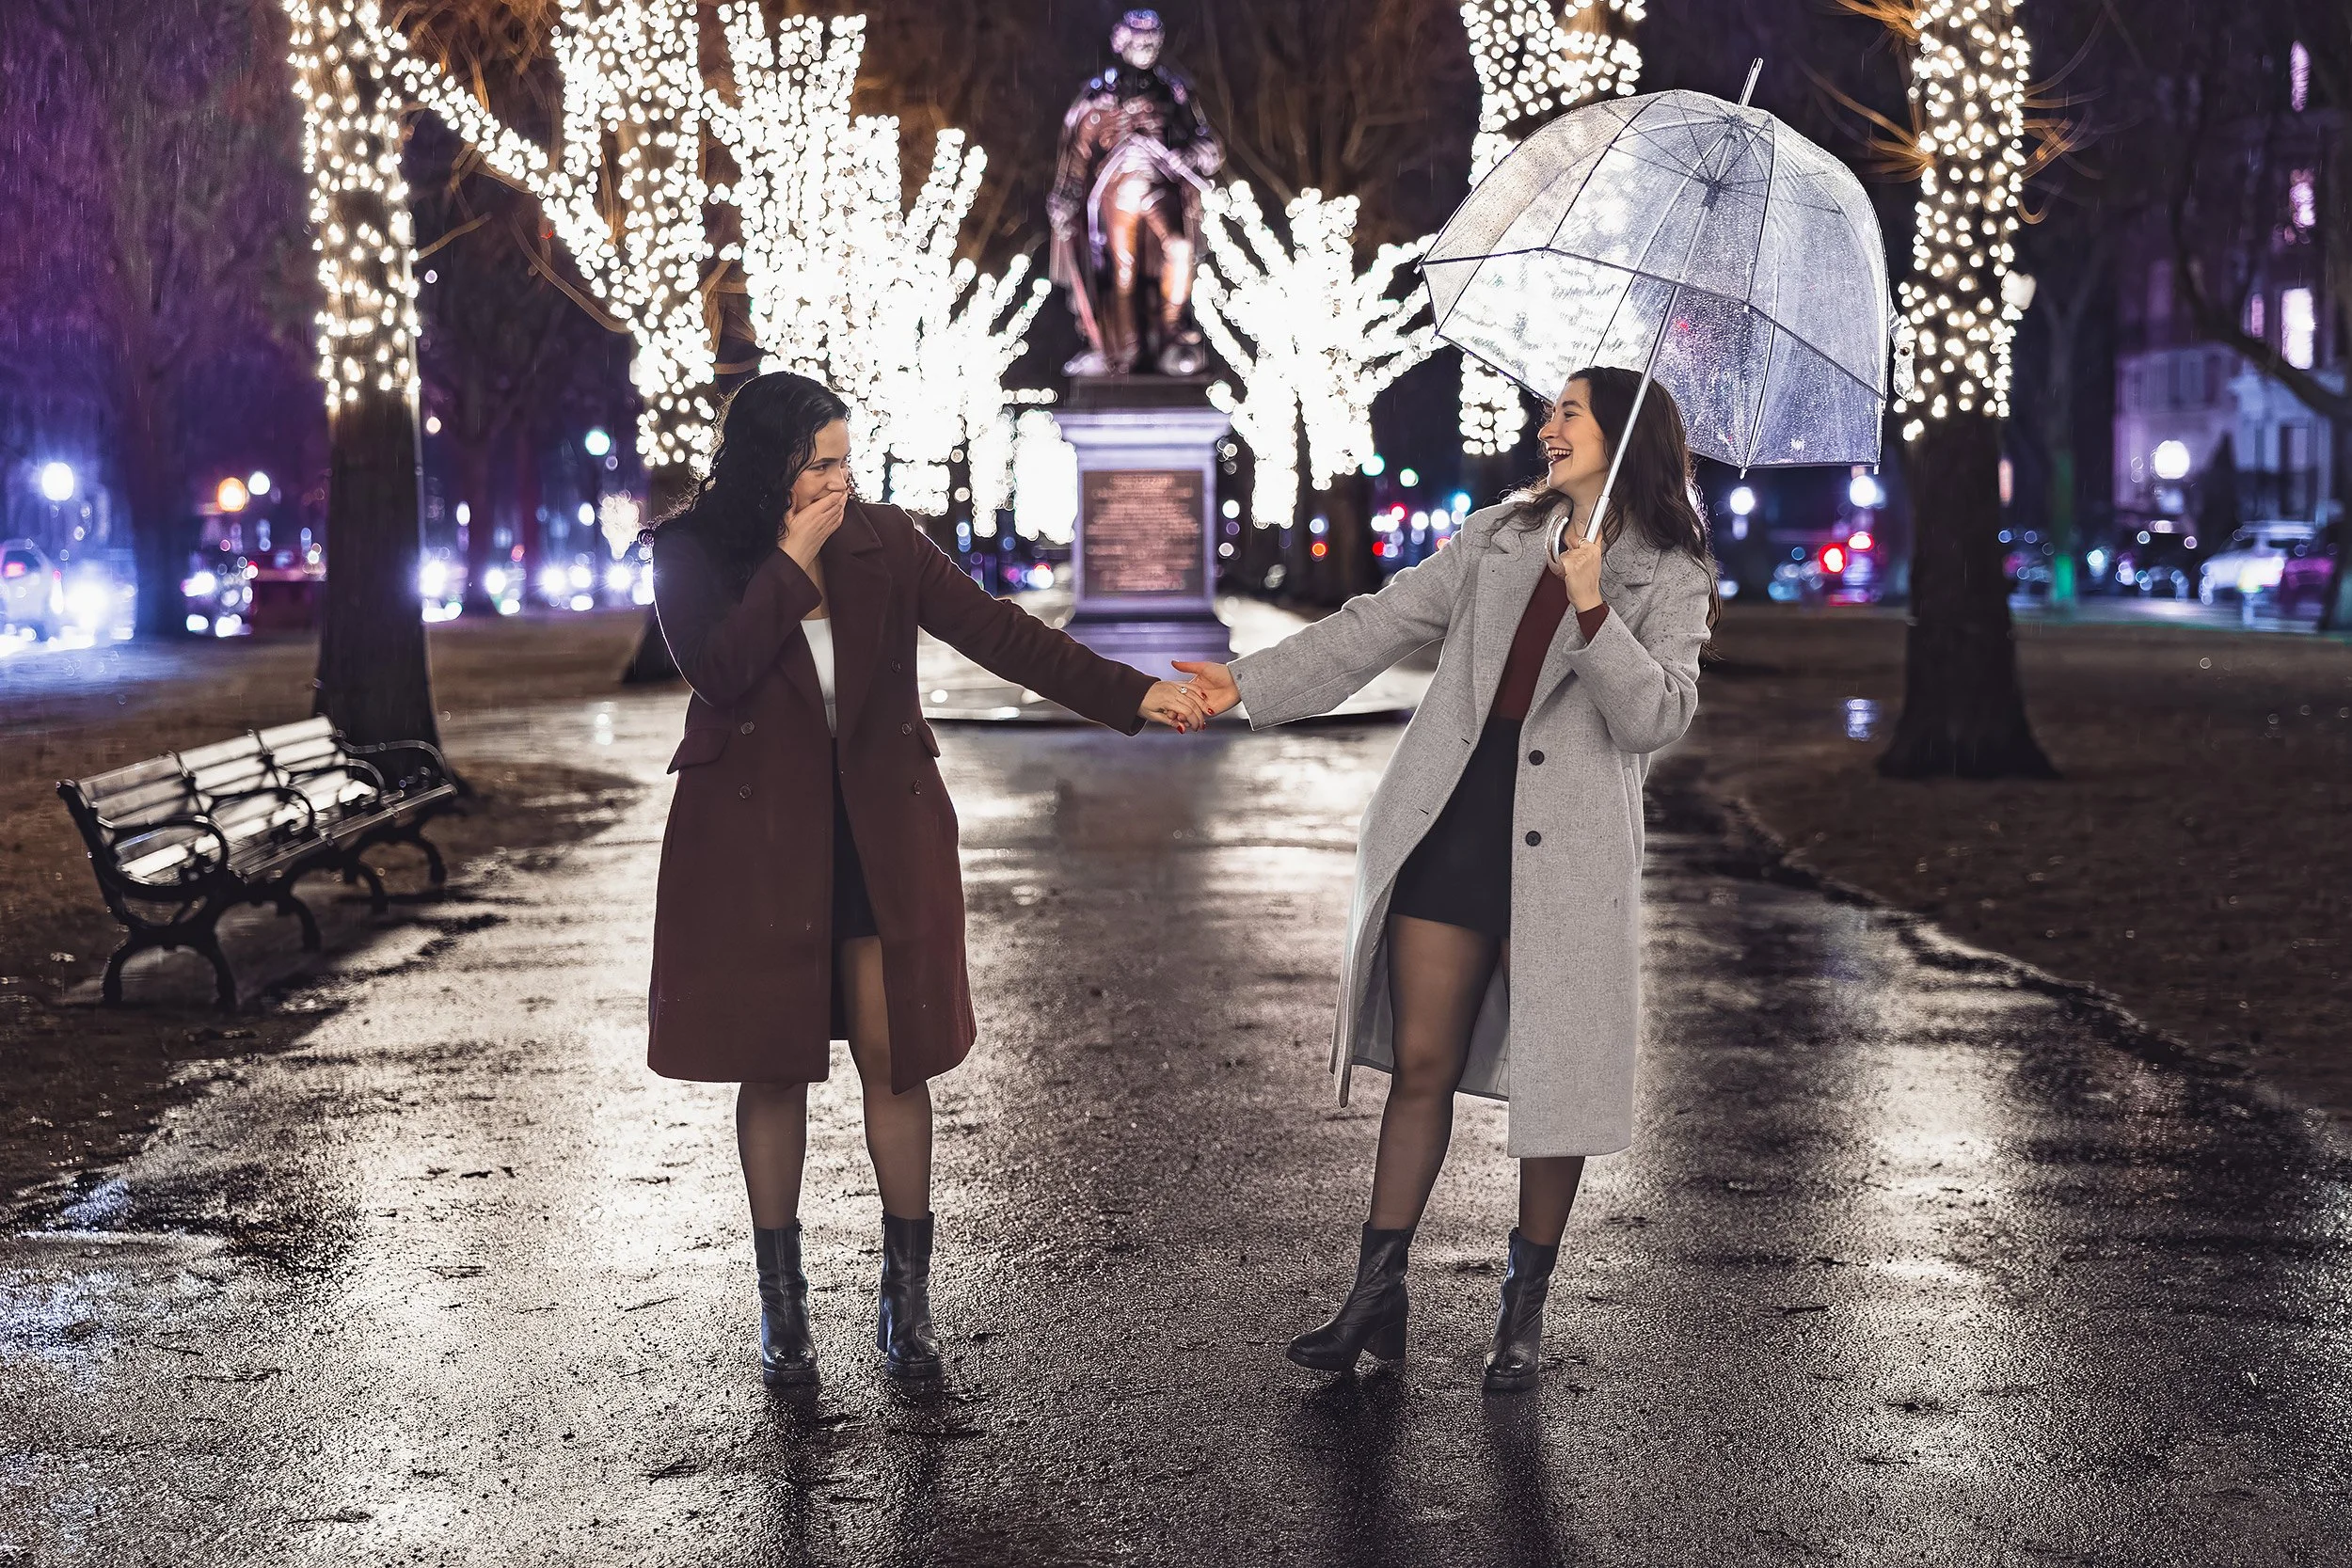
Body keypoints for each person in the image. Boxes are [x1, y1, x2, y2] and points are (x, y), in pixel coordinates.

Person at [647, 372, 1210, 1387]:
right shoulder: (692, 553)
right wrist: (792, 558)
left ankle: (905, 1304)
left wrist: (1137, 696)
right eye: (818, 462)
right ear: (767, 463)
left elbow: (1003, 634)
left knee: (892, 1058)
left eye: (844, 458)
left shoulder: (886, 541)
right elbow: (720, 669)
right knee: (769, 1066)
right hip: (754, 845)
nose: (838, 478)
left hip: (877, 836)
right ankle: (784, 1314)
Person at [1174, 367, 1718, 1392]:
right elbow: (1378, 624)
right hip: (1452, 824)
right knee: (1420, 1064)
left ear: (1622, 436)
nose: (1545, 427)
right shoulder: (1501, 535)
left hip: (1571, 852)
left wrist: (1595, 609)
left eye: (1569, 412)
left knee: (1558, 1077)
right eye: (1550, 410)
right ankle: (1375, 1292)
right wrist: (1246, 682)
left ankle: (1523, 1308)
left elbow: (1657, 718)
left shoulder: (1670, 573)